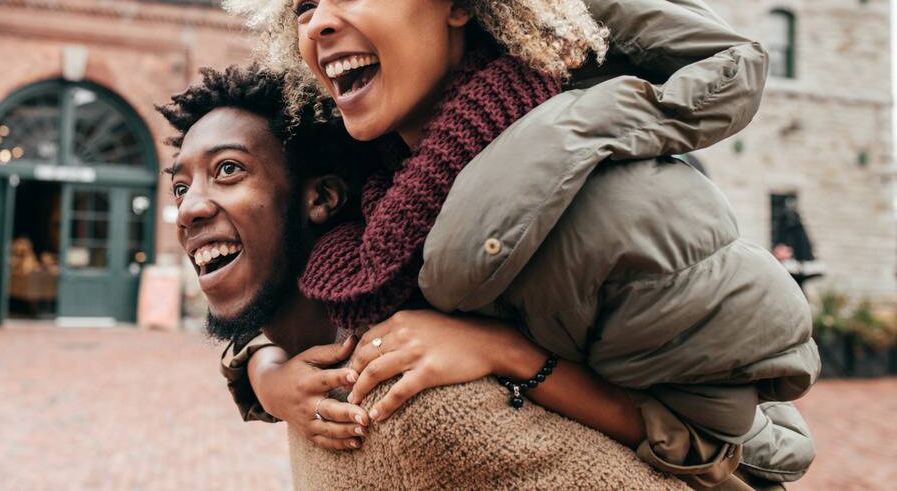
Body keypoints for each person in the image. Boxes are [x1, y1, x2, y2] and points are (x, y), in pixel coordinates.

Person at [221, 0, 818, 487]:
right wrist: (265, 376)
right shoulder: (371, 188)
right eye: (302, 6)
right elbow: (285, 298)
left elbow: (736, 455)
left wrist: (507, 354)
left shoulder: (611, 201)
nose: (320, 21)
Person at [159, 65, 685, 489]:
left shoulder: (413, 407)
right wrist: (266, 376)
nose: (187, 211)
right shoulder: (306, 381)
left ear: (320, 198)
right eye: (180, 187)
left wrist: (507, 353)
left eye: (228, 169)